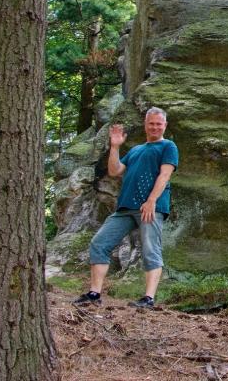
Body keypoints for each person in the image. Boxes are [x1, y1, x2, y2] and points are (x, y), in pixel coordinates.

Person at [73, 107, 178, 308]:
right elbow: (115, 171)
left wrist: (151, 200)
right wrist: (115, 147)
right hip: (125, 207)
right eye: (151, 123)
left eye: (158, 124)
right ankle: (94, 294)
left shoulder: (168, 146)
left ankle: (148, 299)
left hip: (151, 207)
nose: (155, 127)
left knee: (150, 249)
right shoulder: (136, 150)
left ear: (165, 125)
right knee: (99, 243)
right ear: (145, 125)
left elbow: (165, 175)